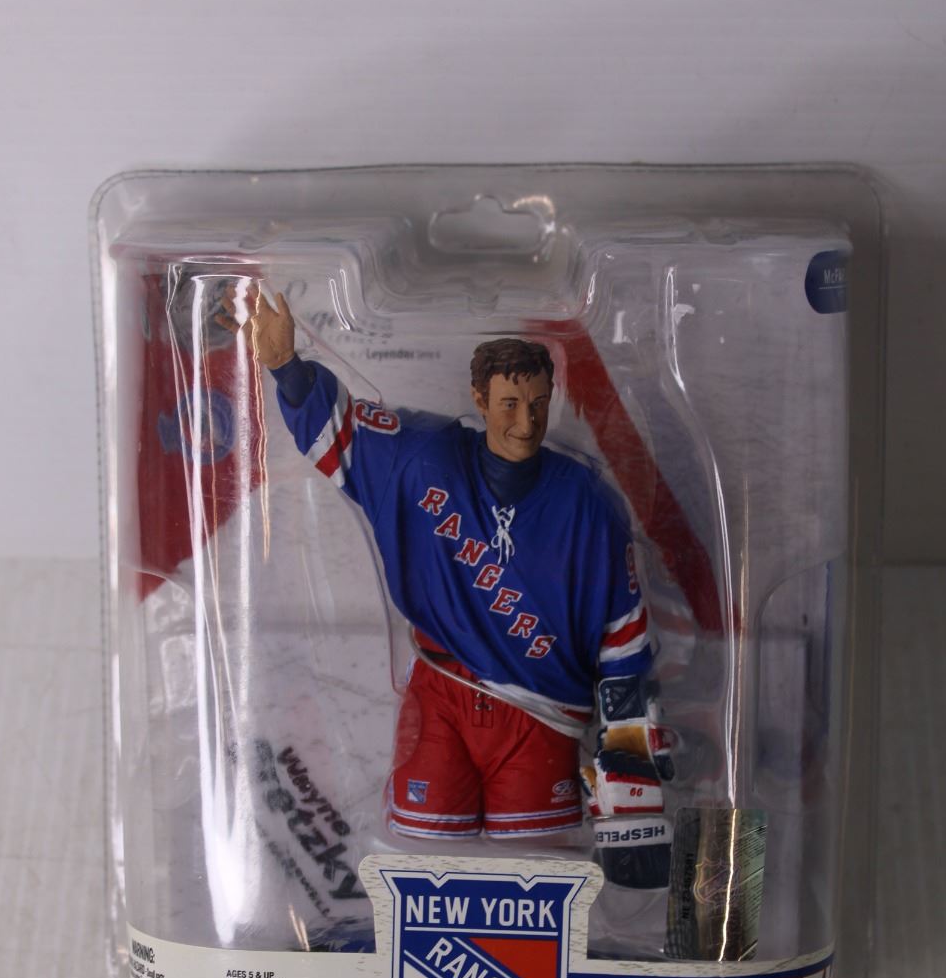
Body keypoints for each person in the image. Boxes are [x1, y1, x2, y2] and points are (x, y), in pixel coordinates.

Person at [247, 286, 673, 885]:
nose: (525, 422)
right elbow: (342, 438)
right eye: (509, 404)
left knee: (541, 874)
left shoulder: (589, 503)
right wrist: (285, 368)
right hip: (442, 697)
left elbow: (624, 639)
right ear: (479, 398)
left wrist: (632, 771)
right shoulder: (424, 458)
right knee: (423, 866)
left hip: (543, 717)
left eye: (538, 404)